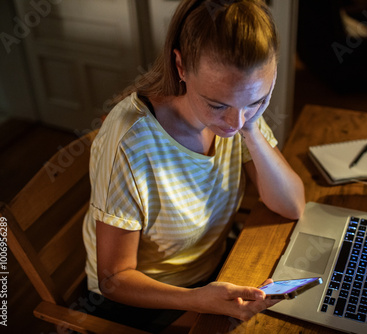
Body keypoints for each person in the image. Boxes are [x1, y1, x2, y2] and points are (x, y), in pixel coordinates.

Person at [82, 0, 305, 331]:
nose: (234, 121)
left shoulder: (239, 115)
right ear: (181, 66)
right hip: (148, 299)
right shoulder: (130, 143)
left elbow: (291, 205)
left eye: (257, 101)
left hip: (216, 271)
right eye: (217, 105)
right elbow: (114, 280)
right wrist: (197, 299)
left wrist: (253, 131)